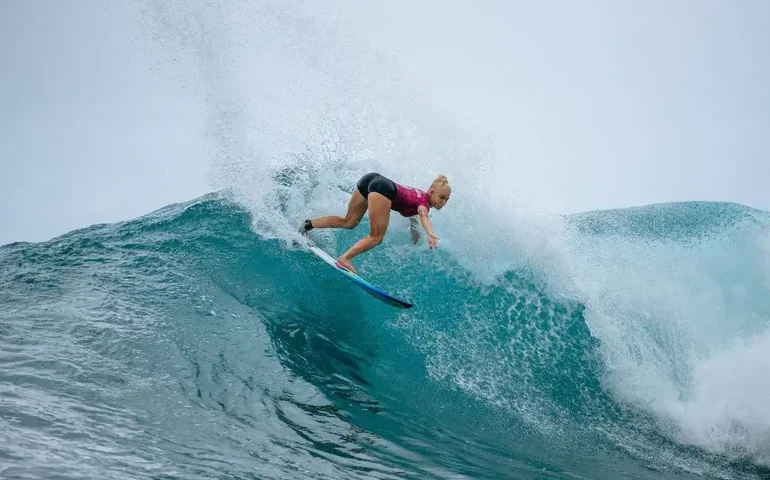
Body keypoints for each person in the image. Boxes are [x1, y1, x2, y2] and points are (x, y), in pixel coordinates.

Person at [299, 172, 451, 275]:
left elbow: (415, 214)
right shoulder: (423, 204)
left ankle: (308, 224)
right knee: (376, 237)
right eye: (441, 197)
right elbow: (423, 214)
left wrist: (414, 231)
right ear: (431, 191)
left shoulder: (419, 195)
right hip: (383, 190)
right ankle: (345, 258)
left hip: (370, 179)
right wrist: (430, 233)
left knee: (349, 221)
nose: (443, 202)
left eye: (446, 200)